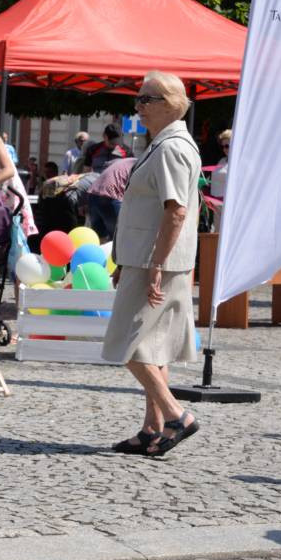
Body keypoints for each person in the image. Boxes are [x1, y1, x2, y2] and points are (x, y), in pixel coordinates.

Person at [103, 71, 202, 458]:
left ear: (168, 103)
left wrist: (155, 264)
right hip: (146, 258)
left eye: (145, 99)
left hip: (155, 261)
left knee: (129, 343)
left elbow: (175, 211)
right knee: (154, 346)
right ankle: (152, 427)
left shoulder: (172, 147)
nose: (138, 107)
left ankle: (178, 415)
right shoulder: (162, 144)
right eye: (139, 99)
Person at [86, 156, 135, 242]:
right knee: (117, 237)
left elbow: (106, 165)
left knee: (99, 238)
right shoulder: (140, 166)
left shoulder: (125, 161)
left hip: (93, 193)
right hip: (109, 196)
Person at [208, 129, 232, 200]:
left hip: (227, 201)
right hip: (215, 200)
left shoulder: (239, 163)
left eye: (227, 146)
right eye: (223, 146)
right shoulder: (222, 160)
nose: (224, 149)